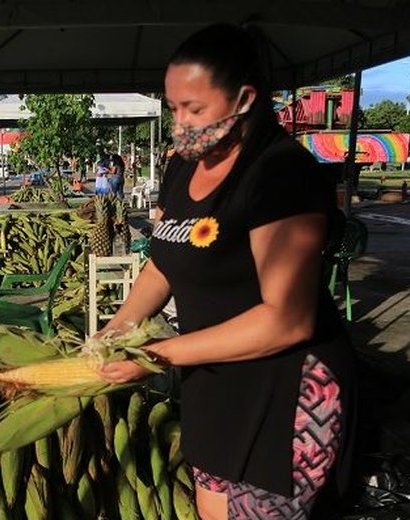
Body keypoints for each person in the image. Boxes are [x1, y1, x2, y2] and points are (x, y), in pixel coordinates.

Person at [97, 24, 355, 520]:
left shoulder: (281, 175)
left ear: (244, 98)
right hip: (214, 381)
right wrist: (118, 328)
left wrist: (156, 354)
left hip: (284, 390)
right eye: (173, 108)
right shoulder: (182, 168)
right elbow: (163, 261)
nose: (180, 124)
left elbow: (287, 320)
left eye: (194, 109)